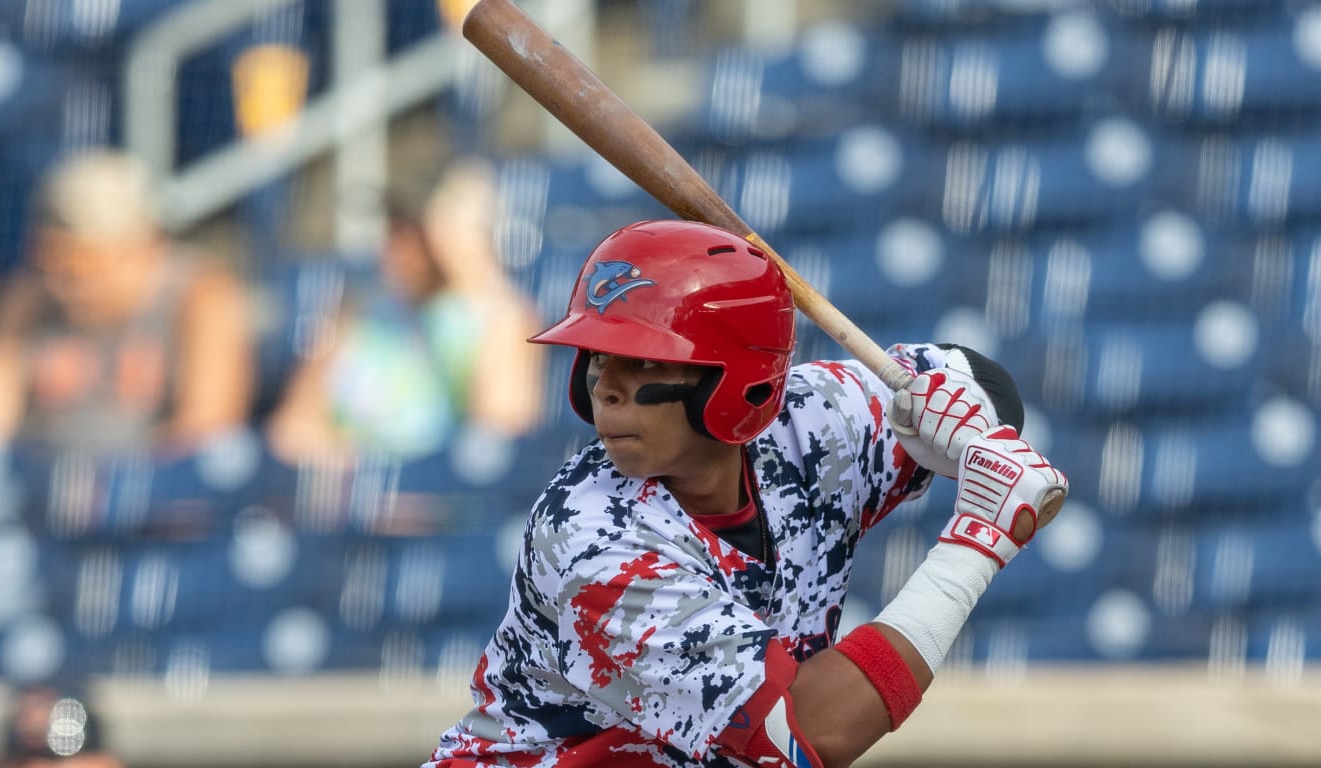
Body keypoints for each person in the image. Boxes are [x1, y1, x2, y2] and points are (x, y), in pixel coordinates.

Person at [425, 220, 1067, 768]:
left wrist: (951, 421)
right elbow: (810, 736)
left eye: (645, 359)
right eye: (598, 354)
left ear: (738, 383)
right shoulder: (595, 542)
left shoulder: (813, 420)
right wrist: (972, 548)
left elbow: (984, 378)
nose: (607, 387)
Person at [0, 149, 256, 457]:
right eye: (52, 262)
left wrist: (112, 490)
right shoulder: (24, 298)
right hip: (39, 496)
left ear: (146, 248)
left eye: (87, 264)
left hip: (152, 498)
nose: (67, 285)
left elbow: (204, 432)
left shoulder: (202, 296)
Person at [265, 157, 544, 467]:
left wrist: (466, 254)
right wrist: (367, 472)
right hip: (352, 501)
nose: (394, 245)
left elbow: (495, 440)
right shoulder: (359, 309)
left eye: (414, 231)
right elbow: (290, 430)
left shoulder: (502, 318)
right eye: (392, 226)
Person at [0, 680, 125, 768]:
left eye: (40, 707)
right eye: (25, 712)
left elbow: (107, 763)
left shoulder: (82, 741)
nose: (32, 720)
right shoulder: (14, 750)